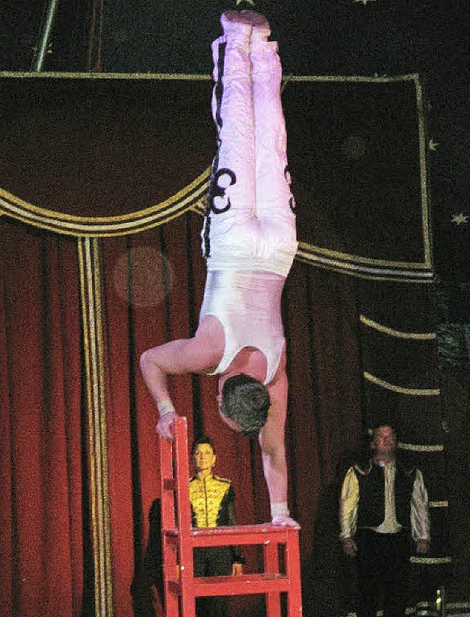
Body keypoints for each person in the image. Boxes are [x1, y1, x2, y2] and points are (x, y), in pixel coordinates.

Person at [140, 10, 298, 527]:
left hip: (277, 252)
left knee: (271, 149)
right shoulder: (209, 353)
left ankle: (263, 49)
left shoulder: (273, 376)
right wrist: (164, 409)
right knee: (236, 137)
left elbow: (273, 453)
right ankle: (237, 41)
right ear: (220, 395)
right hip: (232, 247)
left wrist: (282, 515)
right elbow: (149, 360)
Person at [339, 425, 430, 617]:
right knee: (367, 594)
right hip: (370, 538)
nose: (386, 441)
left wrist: (423, 535)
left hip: (398, 539)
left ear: (396, 442)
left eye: (391, 437)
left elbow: (419, 505)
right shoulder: (360, 471)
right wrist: (347, 535)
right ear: (373, 443)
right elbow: (347, 505)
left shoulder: (409, 472)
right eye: (381, 437)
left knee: (397, 594)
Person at [190, 435, 244, 617]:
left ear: (214, 458)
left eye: (206, 453)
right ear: (193, 458)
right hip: (195, 551)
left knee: (219, 604)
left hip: (220, 549)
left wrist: (237, 556)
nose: (202, 457)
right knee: (199, 604)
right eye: (198, 453)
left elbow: (232, 522)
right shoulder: (185, 487)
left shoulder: (225, 485)